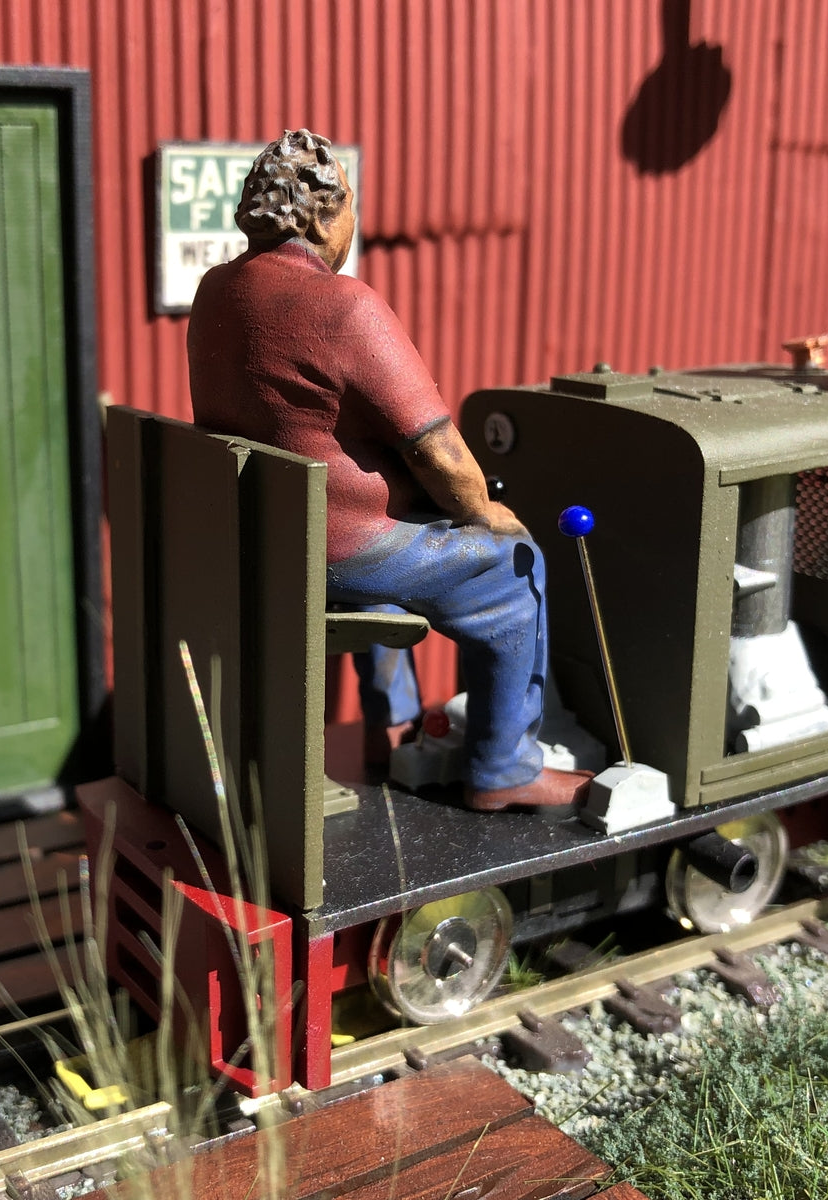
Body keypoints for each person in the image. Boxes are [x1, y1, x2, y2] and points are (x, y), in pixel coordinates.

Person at [187, 129, 589, 811]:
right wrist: (483, 512)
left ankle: (395, 727)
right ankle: (503, 767)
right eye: (349, 207)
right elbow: (439, 451)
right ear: (320, 215)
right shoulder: (345, 306)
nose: (352, 224)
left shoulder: (216, 292)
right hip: (345, 549)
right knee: (512, 563)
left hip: (266, 534)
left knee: (393, 558)